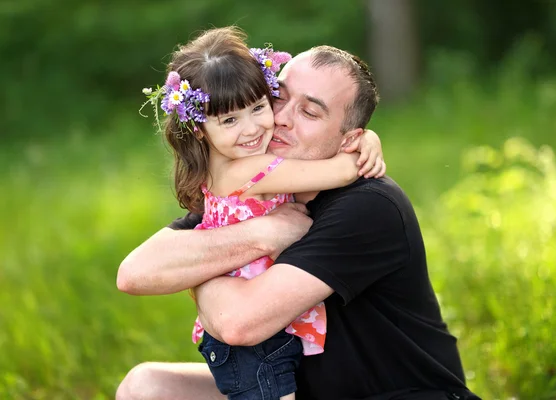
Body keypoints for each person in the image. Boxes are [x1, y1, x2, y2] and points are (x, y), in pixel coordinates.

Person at [117, 31, 480, 400]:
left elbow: (237, 323)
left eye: (309, 111)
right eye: (277, 98)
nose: (281, 119)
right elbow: (135, 273)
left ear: (348, 139)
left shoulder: (369, 205)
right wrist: (259, 235)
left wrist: (201, 267)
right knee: (145, 387)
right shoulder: (251, 196)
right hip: (298, 388)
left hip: (402, 395)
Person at [132, 26, 386, 400]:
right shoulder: (249, 170)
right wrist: (364, 141)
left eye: (258, 107)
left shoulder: (225, 168)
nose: (253, 129)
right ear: (200, 129)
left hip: (253, 343)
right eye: (230, 120)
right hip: (253, 348)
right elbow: (342, 171)